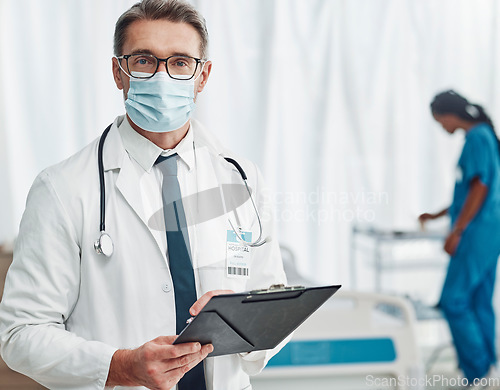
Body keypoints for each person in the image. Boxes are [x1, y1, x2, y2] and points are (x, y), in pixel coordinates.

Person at [0, 1, 287, 389]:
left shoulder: (243, 179)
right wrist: (119, 366)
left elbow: (275, 308)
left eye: (181, 62)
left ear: (203, 77)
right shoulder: (63, 189)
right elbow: (20, 334)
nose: (163, 77)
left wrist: (243, 319)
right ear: (119, 72)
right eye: (144, 61)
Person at [419, 90, 500, 386]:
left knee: (453, 301)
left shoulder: (477, 138)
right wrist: (438, 215)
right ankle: (488, 370)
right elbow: (470, 191)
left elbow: (480, 188)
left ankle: (477, 372)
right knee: (479, 300)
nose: (441, 126)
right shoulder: (486, 136)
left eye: (440, 120)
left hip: (476, 234)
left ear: (450, 114)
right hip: (490, 232)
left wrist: (456, 231)